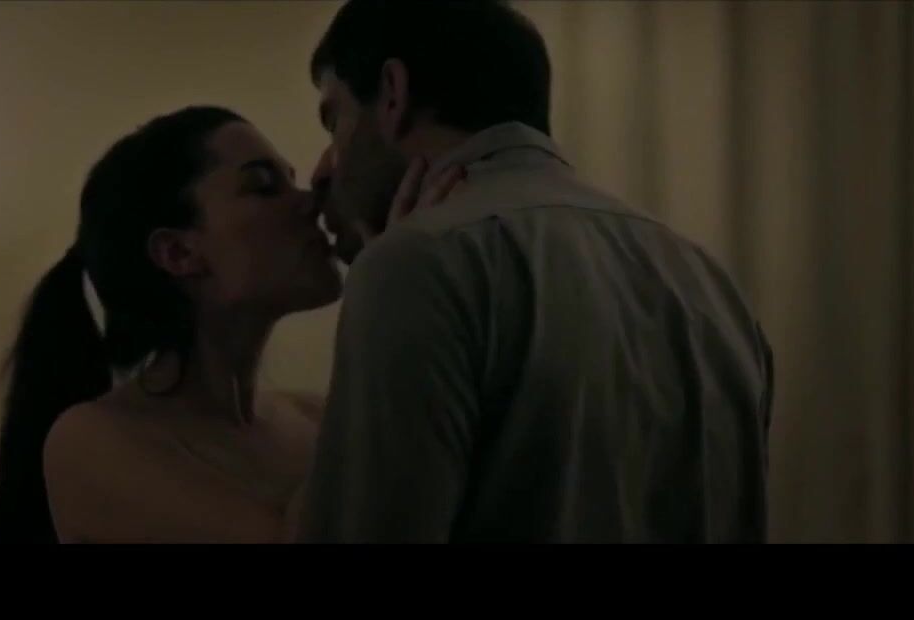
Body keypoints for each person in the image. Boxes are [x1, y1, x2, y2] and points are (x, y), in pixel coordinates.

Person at [293, 0, 775, 543]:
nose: (325, 166)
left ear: (392, 93)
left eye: (334, 119)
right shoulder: (708, 282)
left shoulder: (416, 265)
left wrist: (393, 273)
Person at [0, 105, 458, 544]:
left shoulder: (318, 417)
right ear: (178, 252)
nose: (309, 200)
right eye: (263, 185)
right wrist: (394, 296)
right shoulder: (93, 441)